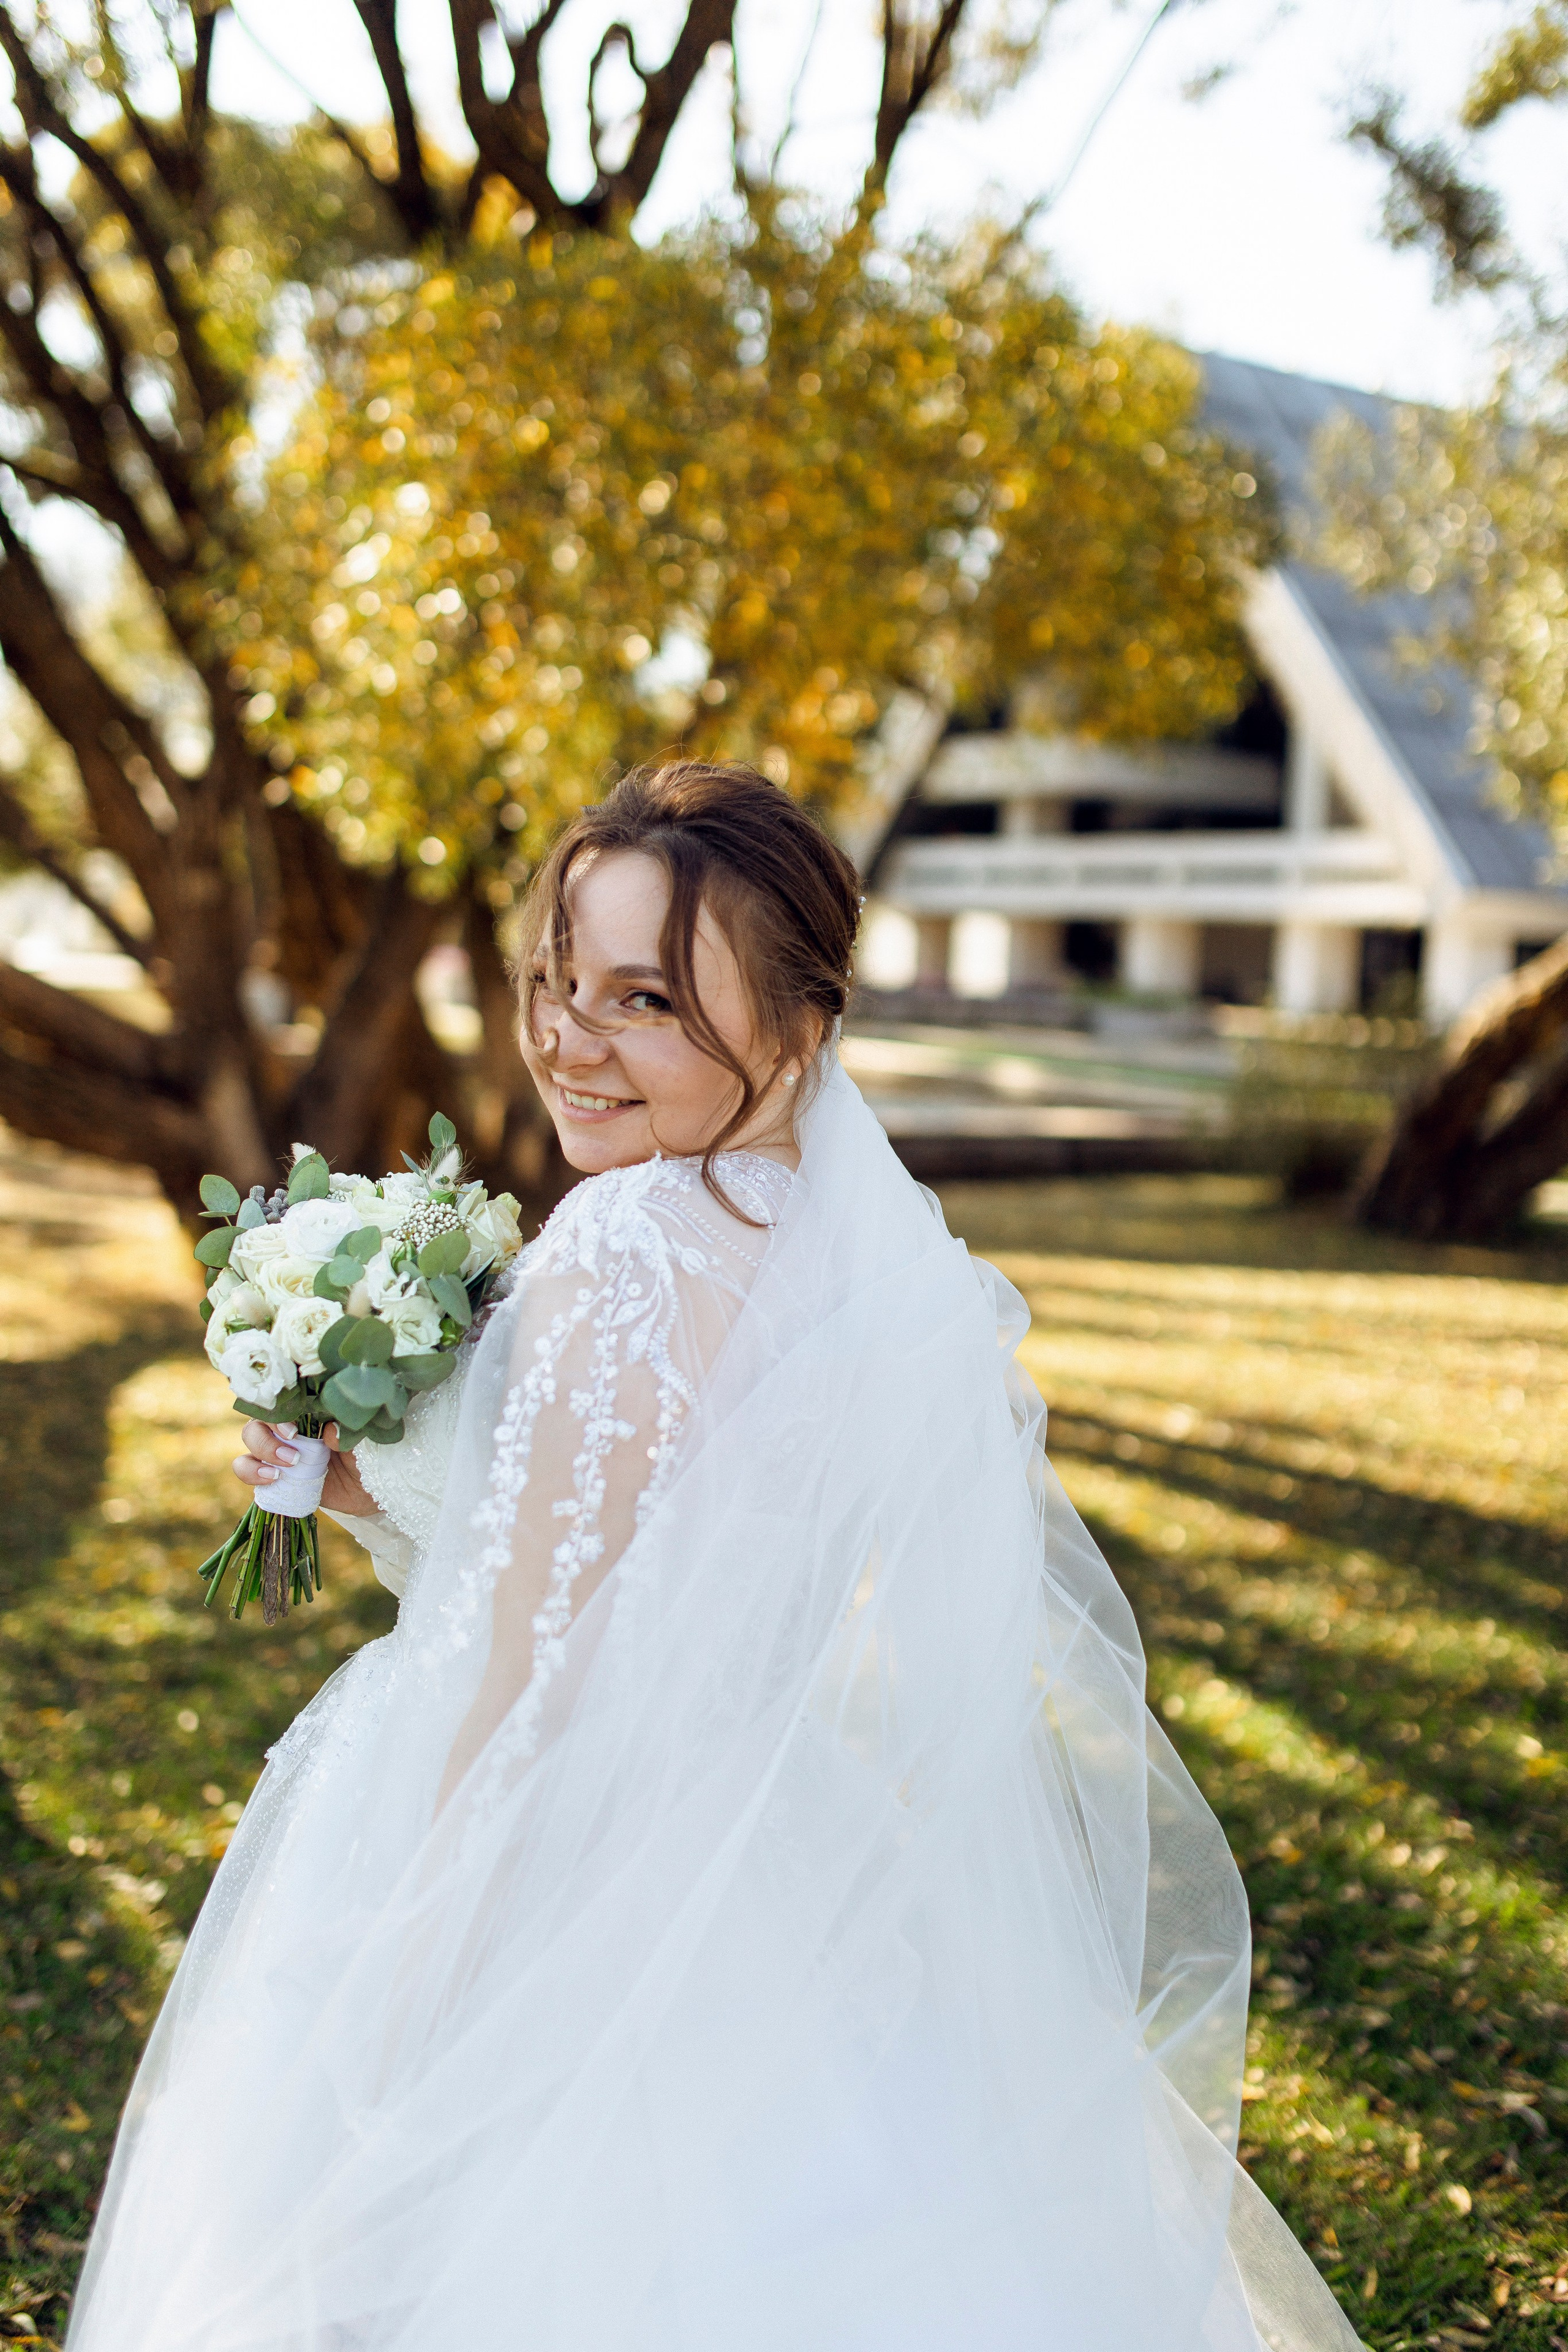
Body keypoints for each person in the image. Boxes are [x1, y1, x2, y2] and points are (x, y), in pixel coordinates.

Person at [66, 762, 1362, 2351]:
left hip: (553, 1860)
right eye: (557, 981)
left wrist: (403, 1998)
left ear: (797, 1028)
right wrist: (363, 1485)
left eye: (647, 1001)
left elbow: (533, 1667)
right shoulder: (818, 1241)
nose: (568, 1036)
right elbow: (639, 1556)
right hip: (757, 1847)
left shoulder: (627, 1244)